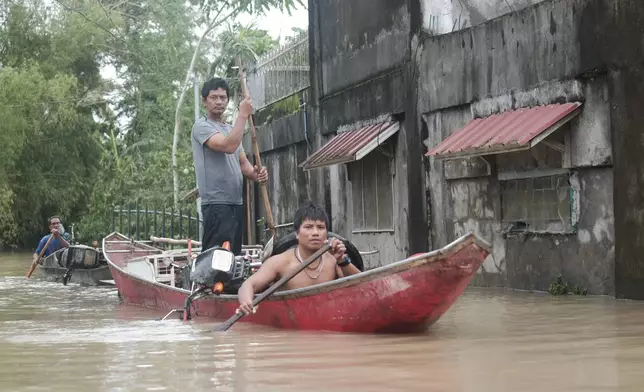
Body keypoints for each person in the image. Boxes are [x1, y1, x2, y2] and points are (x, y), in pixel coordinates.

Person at [237, 202, 362, 315]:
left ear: (326, 233)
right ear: (297, 233)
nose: (315, 233)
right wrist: (246, 302)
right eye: (308, 227)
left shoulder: (333, 260)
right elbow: (248, 285)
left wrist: (342, 260)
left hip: (325, 319)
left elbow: (363, 286)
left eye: (320, 227)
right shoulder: (281, 262)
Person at [191, 77, 268, 255]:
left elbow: (244, 165)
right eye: (214, 97)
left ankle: (232, 284)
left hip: (236, 202)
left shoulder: (230, 129)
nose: (219, 101)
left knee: (233, 257)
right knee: (216, 259)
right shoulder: (201, 127)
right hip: (217, 203)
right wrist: (243, 115)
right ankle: (212, 284)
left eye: (223, 97)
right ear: (204, 101)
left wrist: (258, 174)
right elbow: (228, 146)